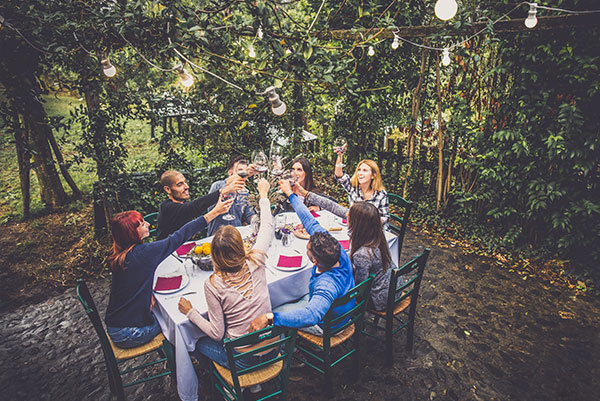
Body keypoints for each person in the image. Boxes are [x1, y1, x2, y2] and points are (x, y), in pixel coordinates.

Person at [104, 197, 234, 349]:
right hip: (130, 333)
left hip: (117, 324)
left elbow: (132, 283)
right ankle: (188, 357)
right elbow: (179, 237)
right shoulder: (143, 254)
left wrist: (147, 295)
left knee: (171, 312)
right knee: (180, 322)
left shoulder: (121, 255)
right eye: (142, 224)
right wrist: (214, 212)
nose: (148, 224)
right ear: (131, 233)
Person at [178, 178, 276, 371]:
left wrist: (191, 312)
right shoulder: (257, 260)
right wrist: (263, 195)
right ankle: (252, 383)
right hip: (274, 348)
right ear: (242, 247)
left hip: (244, 360)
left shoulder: (214, 284)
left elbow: (216, 333)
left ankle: (229, 384)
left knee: (194, 343)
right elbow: (267, 226)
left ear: (214, 254)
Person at [249, 179, 355, 336]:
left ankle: (286, 349)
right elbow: (308, 220)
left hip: (327, 325)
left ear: (315, 261)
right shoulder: (336, 249)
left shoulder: (327, 285)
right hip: (339, 309)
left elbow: (311, 315)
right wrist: (291, 194)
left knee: (275, 309)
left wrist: (270, 317)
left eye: (308, 248)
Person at [290, 182, 394, 311]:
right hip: (392, 288)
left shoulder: (362, 255)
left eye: (350, 215)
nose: (346, 214)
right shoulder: (376, 234)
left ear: (357, 224)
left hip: (378, 299)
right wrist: (305, 193)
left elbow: (357, 290)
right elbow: (332, 206)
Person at [155, 170, 243, 240]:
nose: (186, 187)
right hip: (167, 255)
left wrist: (228, 181)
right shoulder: (166, 207)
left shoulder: (182, 203)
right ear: (167, 189)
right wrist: (222, 192)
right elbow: (192, 208)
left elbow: (196, 207)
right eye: (179, 184)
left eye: (185, 182)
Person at [334, 151, 389, 226]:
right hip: (355, 228)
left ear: (373, 175)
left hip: (374, 231)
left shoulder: (381, 194)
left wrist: (370, 221)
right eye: (359, 170)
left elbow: (385, 217)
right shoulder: (352, 187)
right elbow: (339, 175)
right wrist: (340, 156)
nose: (360, 173)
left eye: (365, 170)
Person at [206, 155, 256, 236]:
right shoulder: (218, 185)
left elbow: (249, 214)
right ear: (230, 173)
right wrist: (229, 186)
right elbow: (210, 205)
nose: (243, 173)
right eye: (240, 170)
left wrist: (259, 220)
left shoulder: (245, 192)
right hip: (216, 236)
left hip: (236, 236)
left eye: (245, 171)